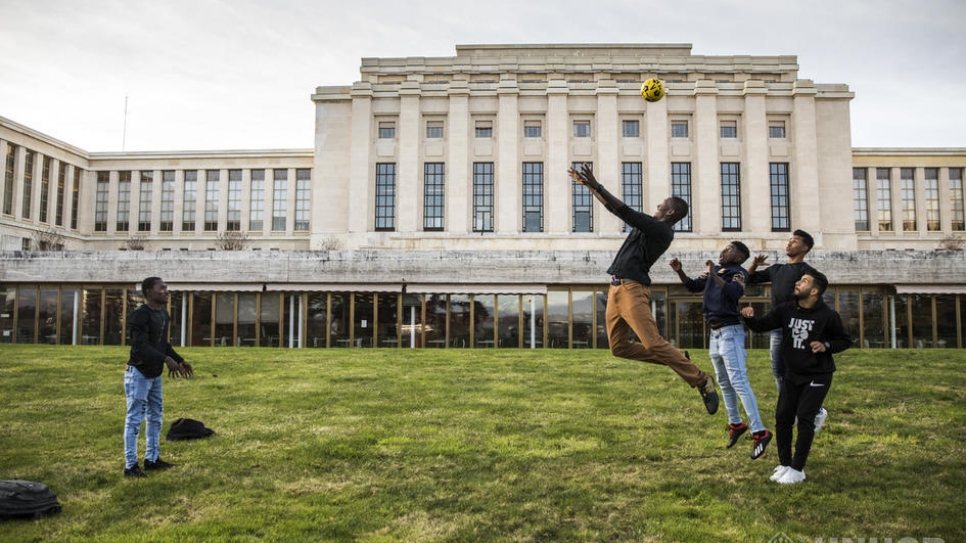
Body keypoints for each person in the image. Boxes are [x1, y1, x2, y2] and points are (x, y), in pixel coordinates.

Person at [569, 163, 718, 415]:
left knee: (653, 343)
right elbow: (611, 207)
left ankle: (701, 380)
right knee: (619, 348)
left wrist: (597, 185)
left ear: (670, 212)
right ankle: (678, 357)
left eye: (661, 204)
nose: (657, 206)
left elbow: (623, 212)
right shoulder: (649, 225)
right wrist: (589, 187)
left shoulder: (662, 230)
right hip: (615, 289)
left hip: (632, 289)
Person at [740, 271, 851, 484]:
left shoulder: (828, 316)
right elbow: (762, 325)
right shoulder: (786, 310)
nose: (798, 283)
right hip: (792, 375)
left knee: (805, 419)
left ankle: (798, 469)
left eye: (804, 281)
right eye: (799, 280)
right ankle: (785, 464)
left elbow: (844, 340)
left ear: (815, 291)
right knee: (782, 418)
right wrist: (750, 318)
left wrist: (826, 346)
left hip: (818, 375)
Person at [670, 241, 772, 458]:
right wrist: (680, 272)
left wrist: (713, 275)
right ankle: (736, 424)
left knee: (738, 381)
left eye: (728, 249)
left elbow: (734, 293)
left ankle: (760, 431)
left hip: (730, 332)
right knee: (724, 382)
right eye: (724, 248)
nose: (722, 251)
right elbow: (693, 286)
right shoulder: (715, 270)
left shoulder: (739, 273)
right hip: (715, 334)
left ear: (737, 257)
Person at [747, 229, 828, 433]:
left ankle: (815, 411)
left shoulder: (808, 273)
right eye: (789, 240)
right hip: (777, 327)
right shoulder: (776, 269)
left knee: (796, 372)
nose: (789, 243)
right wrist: (754, 264)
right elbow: (748, 279)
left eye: (795, 241)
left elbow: (815, 298)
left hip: (797, 328)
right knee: (778, 371)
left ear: (805, 247)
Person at [123, 277, 194, 478]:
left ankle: (152, 459)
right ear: (149, 292)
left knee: (156, 416)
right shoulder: (140, 316)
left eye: (166, 287)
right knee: (134, 419)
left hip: (155, 375)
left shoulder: (163, 314)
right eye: (161, 288)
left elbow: (162, 344)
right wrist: (164, 359)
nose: (166, 291)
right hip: (139, 373)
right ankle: (131, 466)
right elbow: (141, 346)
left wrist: (179, 360)